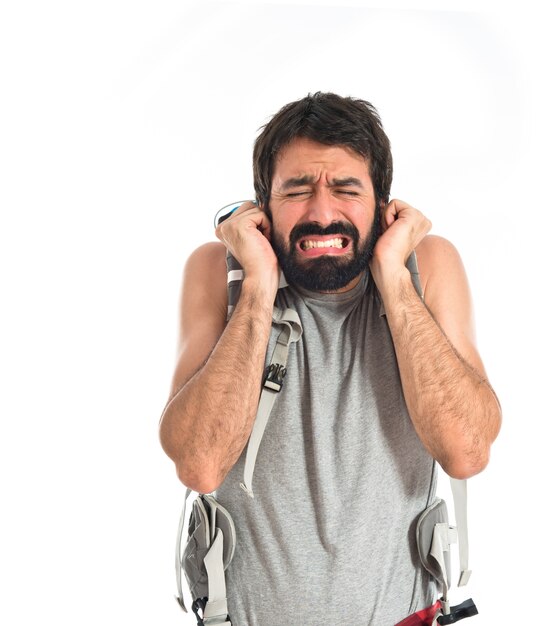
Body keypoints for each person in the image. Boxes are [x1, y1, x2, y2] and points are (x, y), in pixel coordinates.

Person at [159, 92, 501, 626]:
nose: (322, 213)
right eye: (296, 190)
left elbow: (466, 451)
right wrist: (257, 288)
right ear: (261, 209)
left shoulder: (425, 266)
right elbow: (199, 463)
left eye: (346, 189)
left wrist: (392, 276)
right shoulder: (219, 272)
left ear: (384, 205)